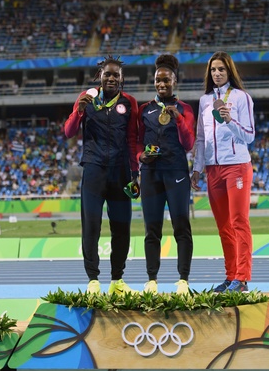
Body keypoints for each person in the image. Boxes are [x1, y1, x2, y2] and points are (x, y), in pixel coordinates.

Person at [64, 55, 139, 295]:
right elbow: (69, 132)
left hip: (121, 172)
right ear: (100, 76)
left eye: (116, 75)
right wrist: (79, 111)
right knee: (91, 227)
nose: (111, 78)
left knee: (121, 228)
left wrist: (135, 173)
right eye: (107, 74)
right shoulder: (86, 98)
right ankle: (93, 281)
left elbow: (132, 139)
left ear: (122, 78)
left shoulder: (129, 102)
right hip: (94, 171)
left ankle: (117, 280)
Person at [191, 51, 255, 293]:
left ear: (229, 71)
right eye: (213, 70)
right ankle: (231, 276)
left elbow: (249, 135)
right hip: (212, 169)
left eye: (221, 69)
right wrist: (197, 168)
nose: (217, 73)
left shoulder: (241, 98)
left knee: (239, 221)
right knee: (224, 226)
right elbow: (200, 138)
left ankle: (242, 278)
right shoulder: (205, 101)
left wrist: (230, 121)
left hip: (237, 165)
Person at [137, 54, 195, 295]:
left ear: (174, 81)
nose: (162, 84)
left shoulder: (185, 109)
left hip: (176, 173)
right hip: (151, 174)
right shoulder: (144, 110)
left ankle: (183, 280)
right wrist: (141, 156)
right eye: (158, 80)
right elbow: (136, 142)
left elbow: (189, 143)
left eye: (166, 80)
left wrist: (178, 119)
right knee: (152, 229)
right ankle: (152, 280)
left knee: (181, 226)